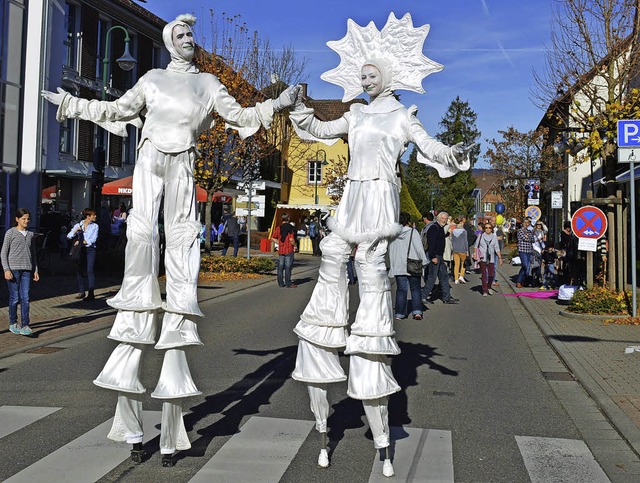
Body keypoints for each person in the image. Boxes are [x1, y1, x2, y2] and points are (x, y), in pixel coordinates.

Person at [42, 13, 300, 464]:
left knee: (181, 248)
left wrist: (276, 104)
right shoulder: (152, 78)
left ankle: (171, 430)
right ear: (168, 42)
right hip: (148, 162)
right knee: (141, 238)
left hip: (182, 165)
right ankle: (131, 427)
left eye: (190, 35)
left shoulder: (206, 84)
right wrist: (71, 105)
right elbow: (116, 109)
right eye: (180, 35)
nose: (188, 40)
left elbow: (241, 115)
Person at [287, 13, 472, 476]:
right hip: (352, 195)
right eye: (362, 75)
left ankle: (382, 437)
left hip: (380, 196)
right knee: (333, 256)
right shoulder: (354, 113)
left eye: (371, 75)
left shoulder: (400, 117)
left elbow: (428, 147)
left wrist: (452, 153)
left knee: (371, 266)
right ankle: (322, 406)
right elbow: (321, 131)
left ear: (387, 77)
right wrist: (298, 108)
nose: (365, 80)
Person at [1, 208, 39, 336]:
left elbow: (33, 254)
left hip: (27, 270)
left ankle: (25, 325)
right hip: (13, 269)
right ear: (17, 219)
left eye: (28, 219)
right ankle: (13, 323)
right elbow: (3, 253)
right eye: (24, 219)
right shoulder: (10, 233)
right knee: (14, 297)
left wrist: (35, 270)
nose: (26, 221)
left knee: (25, 297)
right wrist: (6, 269)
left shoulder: (30, 235)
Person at [389, 212, 428, 320]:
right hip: (413, 263)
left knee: (401, 289)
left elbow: (391, 251)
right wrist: (424, 261)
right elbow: (419, 248)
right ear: (408, 221)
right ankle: (417, 311)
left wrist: (392, 267)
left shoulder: (393, 234)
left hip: (398, 265)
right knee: (415, 288)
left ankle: (400, 313)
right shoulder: (413, 232)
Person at [422, 211, 459, 305]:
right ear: (438, 218)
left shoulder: (439, 228)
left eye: (446, 219)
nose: (444, 220)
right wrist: (433, 256)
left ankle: (447, 298)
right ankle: (423, 296)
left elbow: (440, 238)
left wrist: (447, 235)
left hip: (440, 256)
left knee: (444, 277)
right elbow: (432, 243)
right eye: (442, 218)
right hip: (435, 256)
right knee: (432, 277)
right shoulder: (434, 228)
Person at [67, 208, 99, 301]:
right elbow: (68, 236)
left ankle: (91, 292)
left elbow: (93, 239)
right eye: (93, 215)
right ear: (88, 217)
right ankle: (81, 291)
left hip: (90, 249)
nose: (95, 216)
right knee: (79, 270)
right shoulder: (79, 225)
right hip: (80, 250)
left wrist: (83, 241)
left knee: (90, 270)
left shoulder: (95, 226)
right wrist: (75, 231)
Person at [473, 222, 503, 296]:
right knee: (484, 274)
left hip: (491, 258)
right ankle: (485, 290)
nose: (488, 229)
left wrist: (500, 258)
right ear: (484, 229)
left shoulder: (494, 237)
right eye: (486, 228)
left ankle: (489, 286)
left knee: (491, 275)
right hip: (482, 258)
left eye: (489, 228)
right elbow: (476, 246)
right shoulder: (481, 236)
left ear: (492, 229)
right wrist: (475, 254)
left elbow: (497, 248)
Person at [271, 212, 297, 288]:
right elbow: (291, 239)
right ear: (288, 218)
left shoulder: (278, 228)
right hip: (289, 249)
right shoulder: (290, 228)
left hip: (281, 250)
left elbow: (272, 238)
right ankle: (288, 283)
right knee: (288, 267)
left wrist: (279, 242)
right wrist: (295, 245)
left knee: (280, 267)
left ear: (281, 219)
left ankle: (280, 283)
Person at [450, 216, 469, 284]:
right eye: (463, 222)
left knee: (456, 264)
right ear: (461, 222)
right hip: (462, 249)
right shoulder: (464, 231)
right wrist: (467, 251)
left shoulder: (453, 231)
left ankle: (456, 279)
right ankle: (461, 276)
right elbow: (465, 242)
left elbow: (452, 241)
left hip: (455, 250)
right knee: (464, 264)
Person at [516, 218, 534, 288]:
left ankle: (524, 281)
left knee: (528, 267)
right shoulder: (520, 231)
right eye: (525, 222)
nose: (526, 224)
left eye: (528, 223)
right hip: (522, 250)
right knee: (525, 265)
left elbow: (533, 240)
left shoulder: (530, 231)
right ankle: (519, 281)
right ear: (523, 223)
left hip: (529, 250)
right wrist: (528, 237)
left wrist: (528, 237)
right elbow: (524, 238)